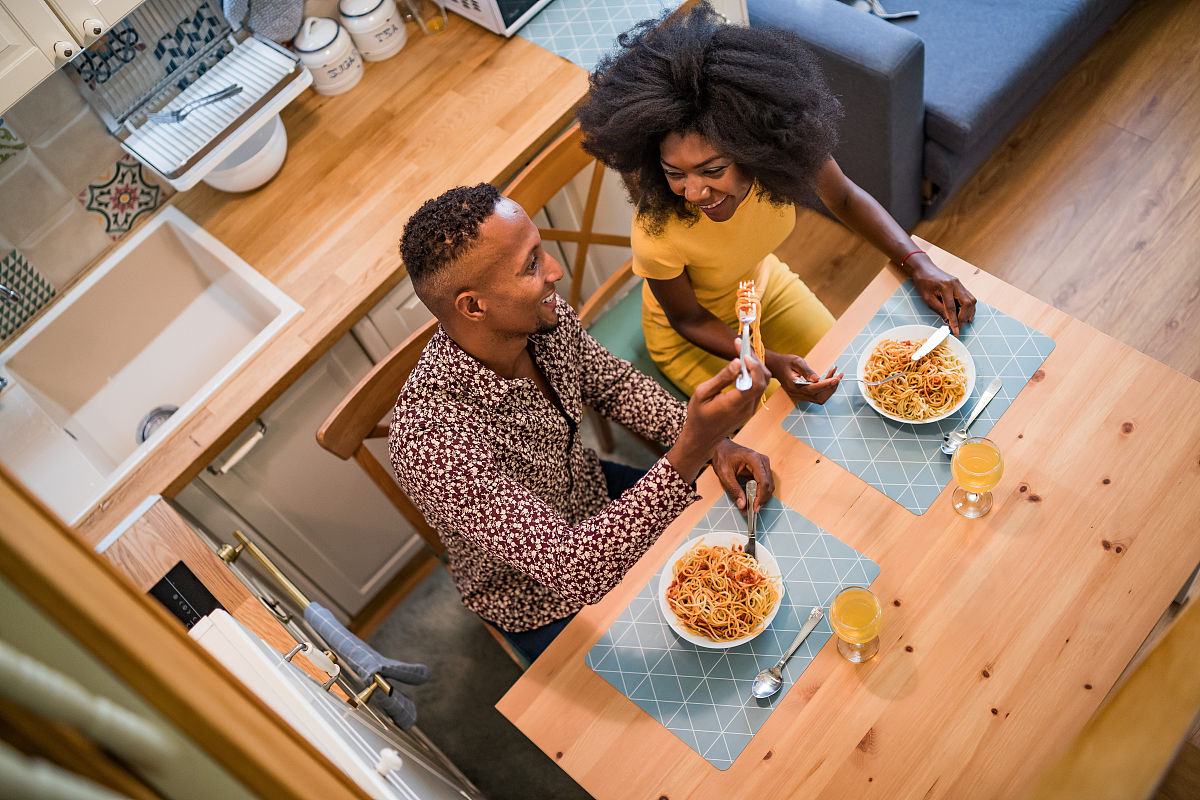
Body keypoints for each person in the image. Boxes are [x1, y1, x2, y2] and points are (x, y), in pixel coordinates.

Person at [389, 183, 774, 663]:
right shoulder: (429, 439)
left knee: (738, 571)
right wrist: (692, 448)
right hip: (536, 596)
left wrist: (715, 443)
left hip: (592, 490)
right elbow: (573, 568)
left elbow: (611, 385)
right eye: (531, 265)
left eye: (541, 251)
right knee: (690, 669)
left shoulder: (542, 318)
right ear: (473, 307)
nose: (555, 271)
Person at [576, 1, 977, 403]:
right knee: (785, 425)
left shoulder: (782, 154)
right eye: (675, 173)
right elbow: (687, 318)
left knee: (852, 376)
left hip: (761, 289)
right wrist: (766, 359)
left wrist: (918, 262)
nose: (694, 192)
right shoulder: (656, 233)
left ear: (751, 148)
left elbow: (845, 196)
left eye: (712, 170)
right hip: (698, 336)